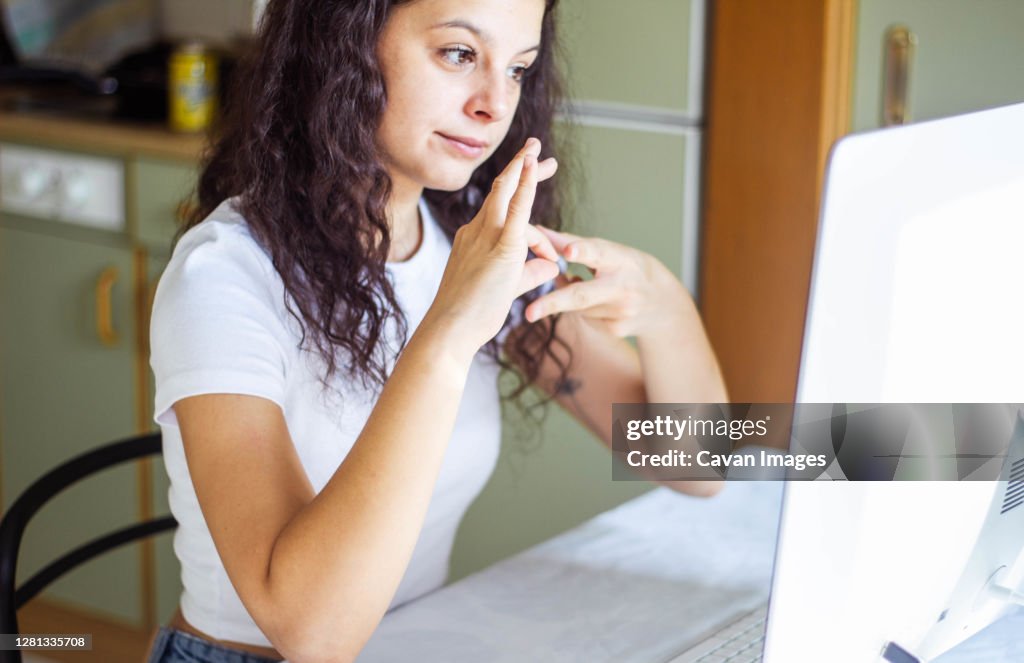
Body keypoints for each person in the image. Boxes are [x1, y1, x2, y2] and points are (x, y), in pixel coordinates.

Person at [144, 0, 728, 661]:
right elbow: (312, 633)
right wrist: (449, 333)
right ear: (345, 44)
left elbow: (698, 467)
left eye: (517, 69)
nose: (494, 104)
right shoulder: (224, 275)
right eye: (458, 54)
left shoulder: (462, 233)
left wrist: (668, 310)